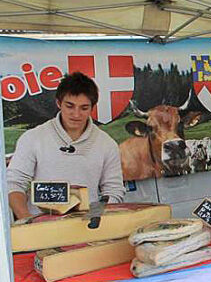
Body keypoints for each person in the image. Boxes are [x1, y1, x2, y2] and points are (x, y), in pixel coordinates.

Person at [7, 72, 125, 220]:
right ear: (58, 103)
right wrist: (26, 219)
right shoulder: (32, 138)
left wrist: (93, 216)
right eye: (70, 106)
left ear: (92, 108)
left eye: (84, 108)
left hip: (87, 227)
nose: (76, 114)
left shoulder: (107, 144)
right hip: (40, 226)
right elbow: (14, 183)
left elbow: (114, 191)